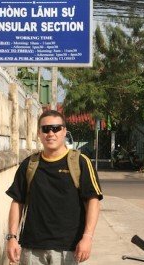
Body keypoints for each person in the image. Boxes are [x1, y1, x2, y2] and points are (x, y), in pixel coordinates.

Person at [6, 110, 103, 265]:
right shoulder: (29, 165)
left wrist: (87, 237)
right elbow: (17, 202)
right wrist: (11, 237)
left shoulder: (80, 163)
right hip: (32, 248)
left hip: (68, 248)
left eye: (56, 128)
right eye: (45, 129)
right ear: (39, 133)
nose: (51, 133)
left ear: (64, 131)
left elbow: (93, 201)